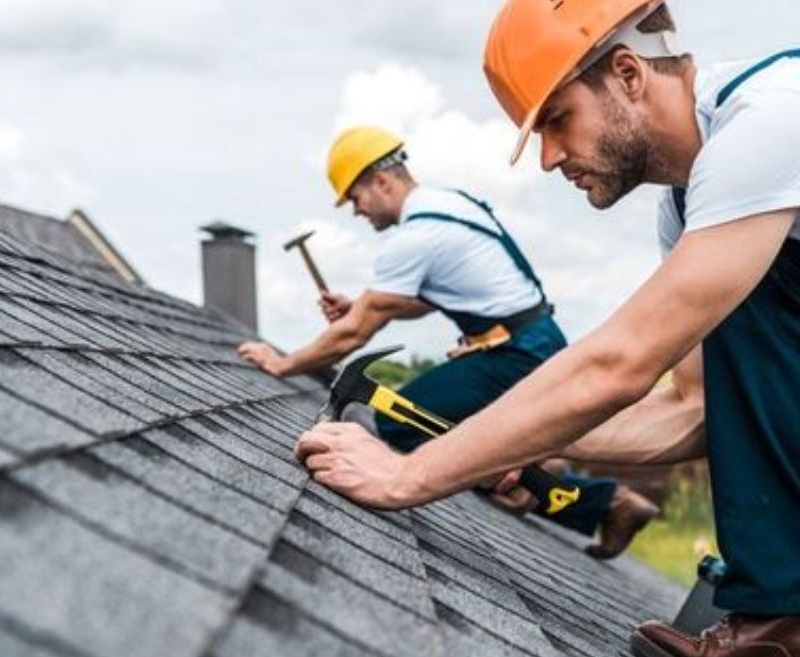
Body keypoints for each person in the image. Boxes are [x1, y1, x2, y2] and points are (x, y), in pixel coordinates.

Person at [294, 0, 800, 657]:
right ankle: (797, 613)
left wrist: (410, 475)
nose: (547, 157)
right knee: (762, 291)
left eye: (557, 120)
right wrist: (498, 450)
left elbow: (619, 363)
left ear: (630, 74)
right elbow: (692, 412)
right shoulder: (701, 210)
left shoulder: (770, 126)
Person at [238, 125, 658, 558]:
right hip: (527, 343)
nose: (357, 212)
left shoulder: (416, 236)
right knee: (465, 438)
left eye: (355, 199)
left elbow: (354, 334)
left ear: (381, 181)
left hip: (512, 354)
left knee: (392, 425)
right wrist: (360, 306)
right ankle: (592, 497)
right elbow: (419, 303)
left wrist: (282, 363)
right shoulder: (450, 206)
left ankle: (586, 495)